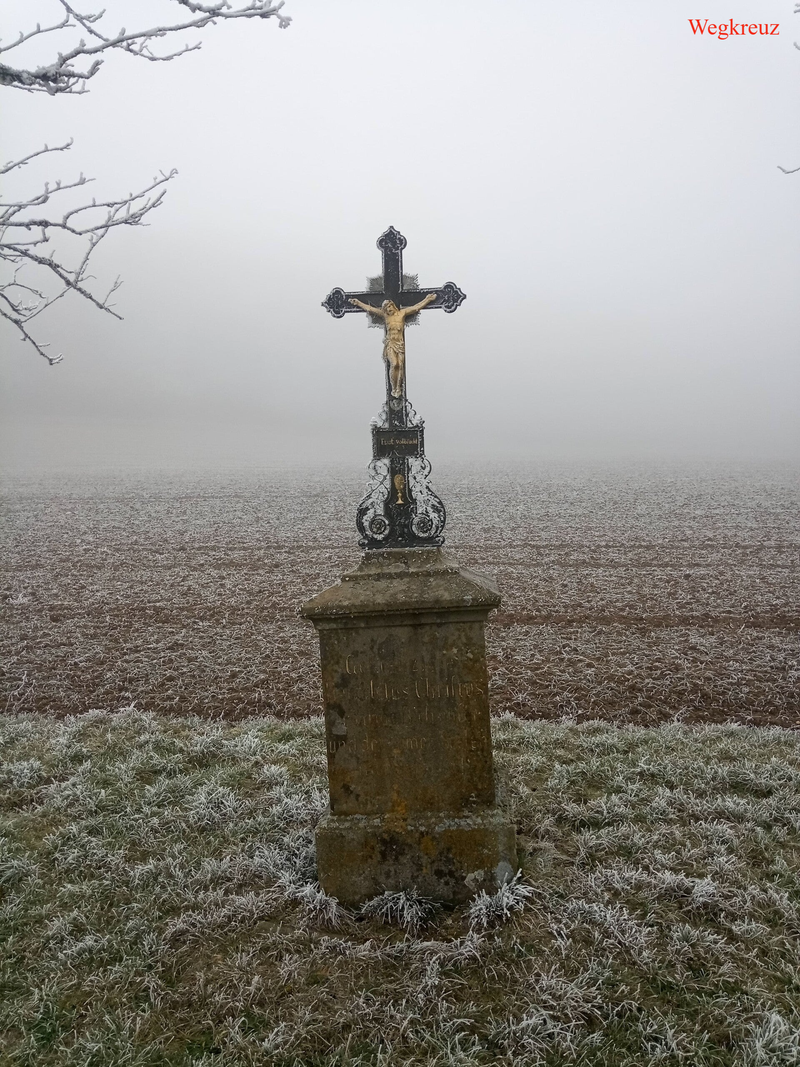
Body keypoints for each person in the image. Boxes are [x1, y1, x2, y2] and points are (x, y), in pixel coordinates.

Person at [349, 293, 437, 398]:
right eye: (386, 308)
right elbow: (370, 309)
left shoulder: (402, 314)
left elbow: (416, 308)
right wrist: (358, 303)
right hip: (391, 343)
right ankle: (393, 387)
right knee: (394, 364)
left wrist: (428, 299)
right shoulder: (386, 316)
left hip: (400, 344)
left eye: (389, 306)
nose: (388, 309)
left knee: (400, 365)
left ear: (393, 306)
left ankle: (398, 388)